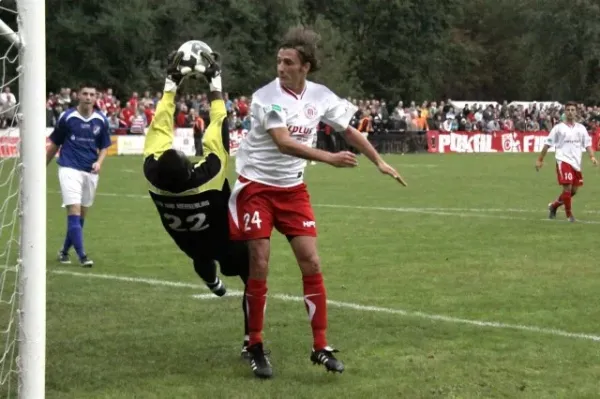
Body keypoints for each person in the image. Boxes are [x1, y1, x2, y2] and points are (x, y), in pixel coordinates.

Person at [228, 26, 407, 379]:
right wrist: (329, 158)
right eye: (278, 61)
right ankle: (255, 344)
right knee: (260, 262)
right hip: (256, 188)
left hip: (292, 190)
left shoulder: (320, 96)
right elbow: (282, 142)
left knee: (310, 260)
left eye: (288, 62)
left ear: (305, 66)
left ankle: (321, 346)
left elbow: (349, 130)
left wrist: (379, 161)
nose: (280, 67)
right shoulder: (266, 96)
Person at [142, 48, 251, 355]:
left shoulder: (153, 177)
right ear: (190, 169)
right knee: (253, 276)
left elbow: (159, 126)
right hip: (224, 238)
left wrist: (171, 84)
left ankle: (214, 284)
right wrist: (214, 83)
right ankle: (249, 341)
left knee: (200, 256)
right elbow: (218, 128)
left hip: (187, 241)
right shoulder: (208, 176)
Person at [46, 83, 112, 267]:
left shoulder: (101, 120)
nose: (88, 97)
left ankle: (64, 252)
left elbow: (105, 146)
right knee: (73, 211)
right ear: (78, 95)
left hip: (90, 171)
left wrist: (99, 162)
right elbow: (54, 145)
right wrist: (41, 166)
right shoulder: (67, 118)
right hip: (69, 168)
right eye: (85, 93)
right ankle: (83, 256)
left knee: (81, 215)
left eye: (92, 94)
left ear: (96, 96)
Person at [536, 101, 597, 221]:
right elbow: (547, 144)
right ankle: (570, 216)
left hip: (576, 163)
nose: (570, 112)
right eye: (568, 110)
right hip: (563, 160)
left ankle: (554, 206)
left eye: (572, 110)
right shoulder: (558, 128)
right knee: (567, 188)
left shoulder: (581, 128)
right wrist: (540, 159)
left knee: (573, 191)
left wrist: (592, 157)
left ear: (576, 112)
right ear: (565, 112)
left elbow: (587, 145)